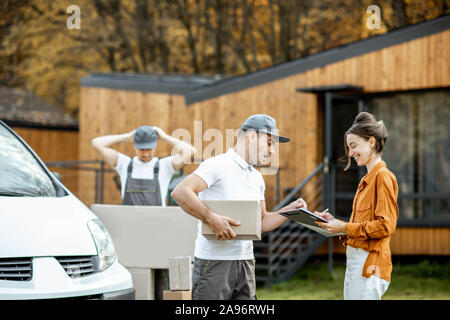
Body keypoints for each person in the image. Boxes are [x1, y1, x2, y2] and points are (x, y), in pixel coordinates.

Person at [171, 114, 308, 300]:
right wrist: (212, 219)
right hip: (213, 264)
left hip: (246, 263)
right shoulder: (217, 165)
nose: (273, 151)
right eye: (269, 143)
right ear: (252, 136)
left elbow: (261, 222)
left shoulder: (257, 177)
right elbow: (181, 192)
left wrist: (290, 210)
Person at [91, 125, 196, 299]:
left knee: (160, 278)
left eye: (149, 149)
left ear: (155, 146)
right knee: (135, 278)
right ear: (135, 147)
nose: (146, 154)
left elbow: (190, 151)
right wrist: (126, 136)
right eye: (141, 149)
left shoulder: (164, 166)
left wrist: (165, 136)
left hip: (158, 233)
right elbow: (97, 143)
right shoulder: (125, 164)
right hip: (130, 234)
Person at [315, 112, 399, 300]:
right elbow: (363, 227)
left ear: (371, 142)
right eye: (349, 147)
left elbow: (385, 226)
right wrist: (337, 225)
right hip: (357, 263)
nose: (350, 153)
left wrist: (344, 227)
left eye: (353, 146)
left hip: (369, 265)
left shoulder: (383, 177)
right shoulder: (367, 180)